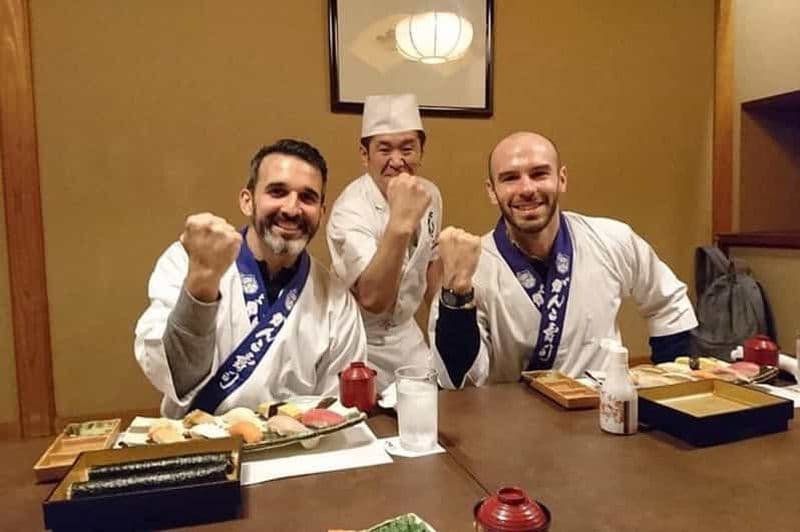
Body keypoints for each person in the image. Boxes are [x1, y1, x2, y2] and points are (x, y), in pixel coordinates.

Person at [430, 131, 698, 388]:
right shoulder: (473, 267)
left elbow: (668, 304)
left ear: (562, 179)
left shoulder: (612, 239)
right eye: (510, 178)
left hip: (602, 411)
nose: (526, 188)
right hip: (513, 421)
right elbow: (459, 380)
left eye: (539, 174)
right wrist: (457, 294)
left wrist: (671, 389)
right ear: (492, 191)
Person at [135, 139, 367, 417]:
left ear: (322, 212)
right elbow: (173, 375)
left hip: (297, 449)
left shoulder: (334, 299)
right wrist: (201, 283)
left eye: (308, 198)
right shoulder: (188, 260)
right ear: (247, 201)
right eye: (277, 192)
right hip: (199, 445)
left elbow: (335, 408)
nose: (292, 209)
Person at [326, 94, 442, 391]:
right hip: (360, 341)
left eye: (407, 148)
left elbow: (430, 265)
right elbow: (373, 299)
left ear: (422, 151)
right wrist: (401, 222)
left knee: (432, 410)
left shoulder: (430, 194)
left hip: (407, 335)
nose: (397, 161)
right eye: (384, 149)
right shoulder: (349, 211)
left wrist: (442, 331)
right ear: (365, 155)